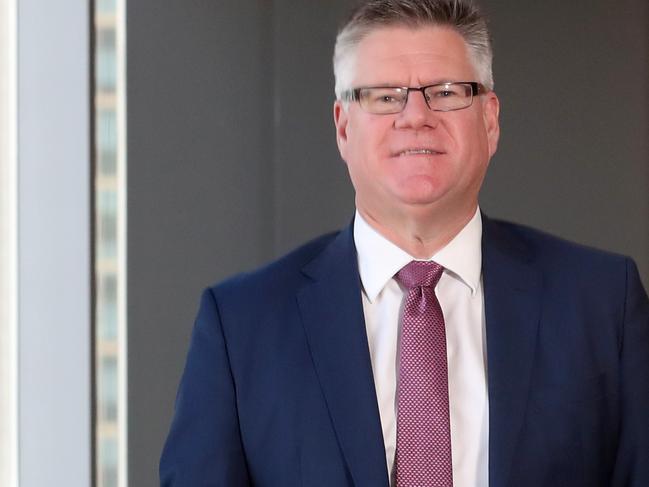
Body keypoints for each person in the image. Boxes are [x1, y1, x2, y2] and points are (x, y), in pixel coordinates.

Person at [159, 1, 649, 486]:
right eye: (385, 96)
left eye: (447, 91)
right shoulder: (242, 324)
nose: (416, 115)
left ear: (490, 120)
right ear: (344, 126)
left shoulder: (602, 303)